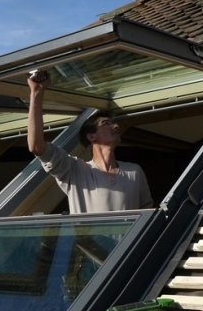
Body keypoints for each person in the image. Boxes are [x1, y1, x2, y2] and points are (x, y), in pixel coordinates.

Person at [27, 69, 152, 213]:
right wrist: (36, 92)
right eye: (106, 123)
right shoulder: (75, 170)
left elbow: (148, 213)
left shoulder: (134, 171)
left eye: (113, 123)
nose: (116, 126)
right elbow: (36, 146)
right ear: (91, 137)